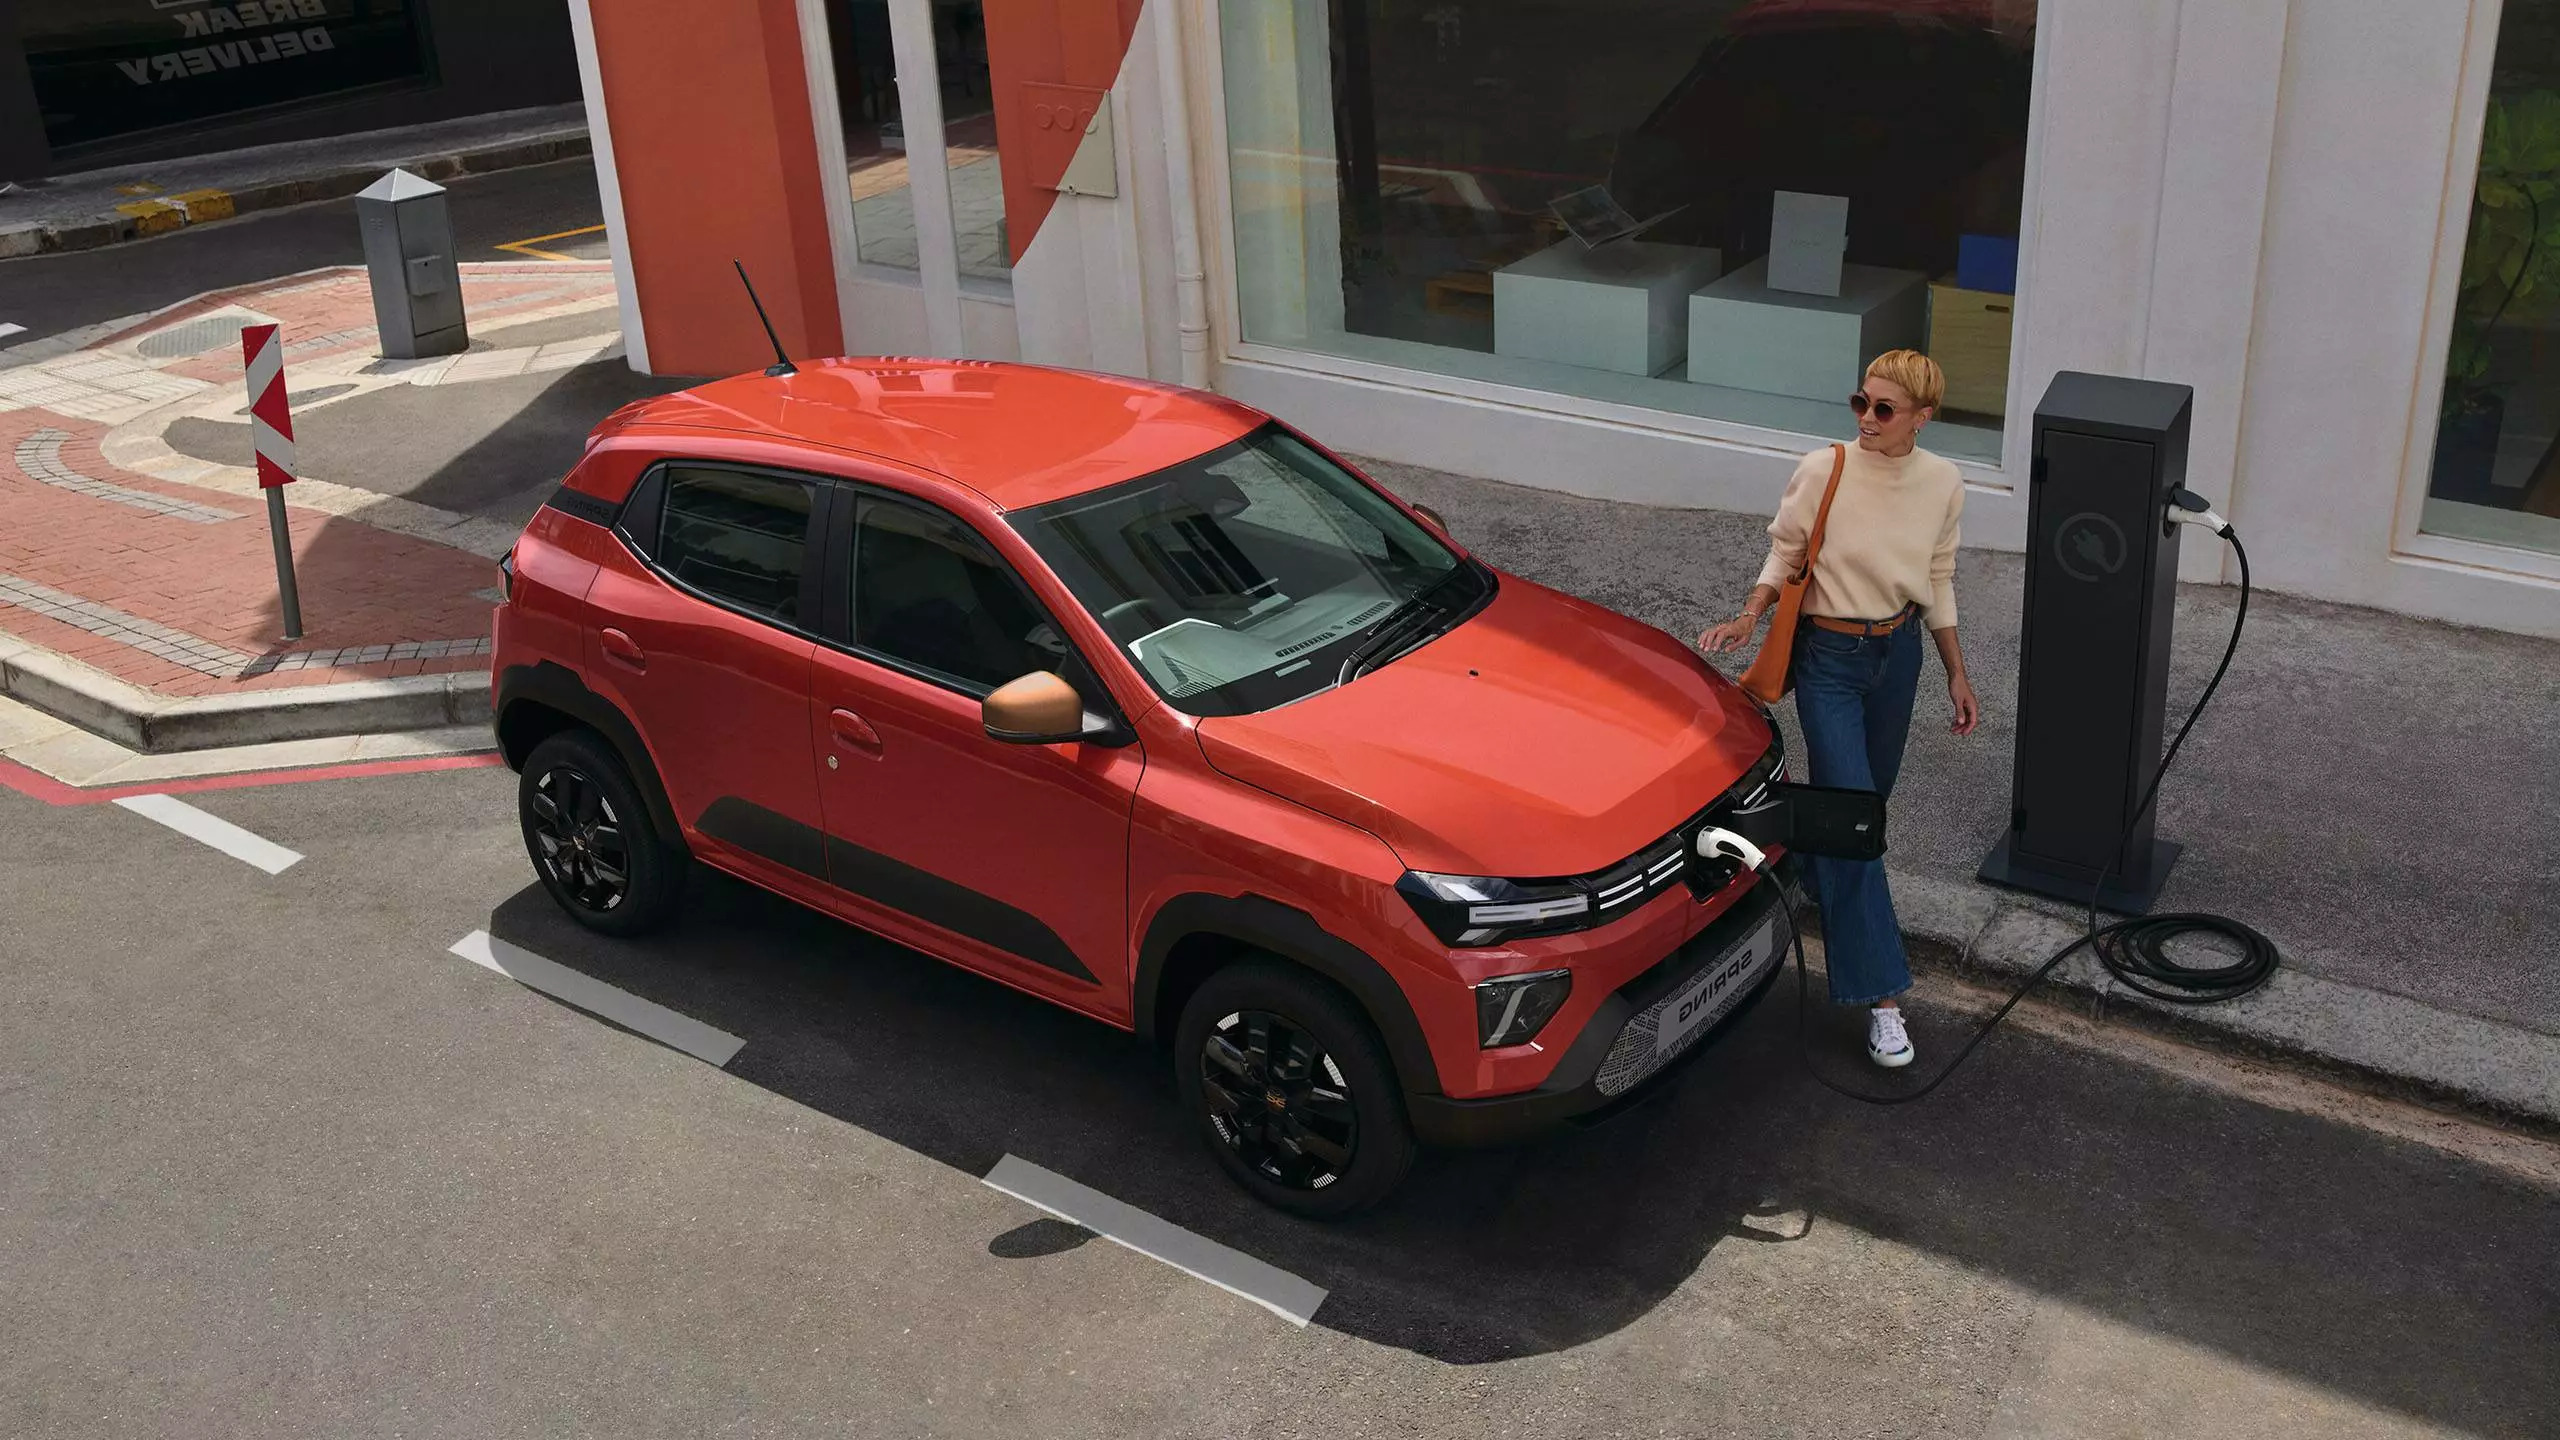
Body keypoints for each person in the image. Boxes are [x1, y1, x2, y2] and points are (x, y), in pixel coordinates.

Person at [1699, 350, 1980, 1068]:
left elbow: (1937, 576)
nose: (1866, 420)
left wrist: (1956, 671)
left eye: (1884, 410)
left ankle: (1801, 861)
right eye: (1861, 402)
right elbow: (1786, 551)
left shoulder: (1943, 482)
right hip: (1829, 660)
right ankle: (1882, 997)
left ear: (1923, 416)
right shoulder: (1826, 468)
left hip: (1899, 656)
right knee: (1857, 822)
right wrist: (1748, 615)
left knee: (1862, 809)